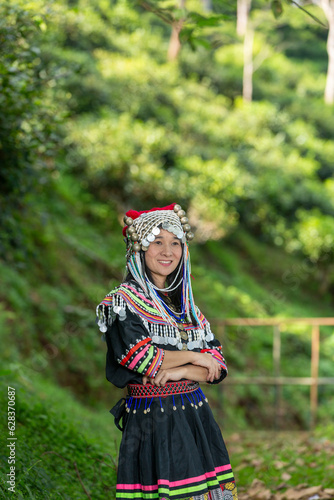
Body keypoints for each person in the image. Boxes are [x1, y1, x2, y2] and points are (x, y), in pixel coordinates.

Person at [96, 203, 238, 500]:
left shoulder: (187, 307)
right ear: (139, 248)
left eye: (175, 243)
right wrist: (194, 356)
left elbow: (218, 366)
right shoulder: (123, 302)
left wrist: (182, 370)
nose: (167, 251)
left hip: (196, 416)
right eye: (157, 242)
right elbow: (141, 358)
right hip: (152, 419)